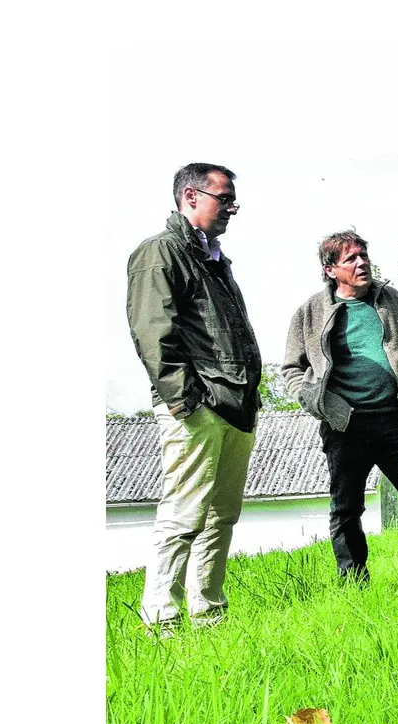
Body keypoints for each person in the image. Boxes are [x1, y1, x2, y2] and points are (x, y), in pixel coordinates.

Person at [281, 231, 398, 582]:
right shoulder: (310, 312)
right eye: (350, 258)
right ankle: (354, 582)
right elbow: (292, 369)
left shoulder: (391, 300)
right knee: (346, 508)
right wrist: (320, 405)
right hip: (345, 425)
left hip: (395, 420)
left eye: (363, 255)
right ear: (330, 270)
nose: (361, 263)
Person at [126, 163, 262, 632]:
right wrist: (186, 402)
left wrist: (247, 398)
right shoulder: (160, 252)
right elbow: (153, 333)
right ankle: (160, 623)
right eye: (224, 198)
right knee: (183, 515)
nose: (232, 208)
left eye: (232, 200)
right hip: (197, 407)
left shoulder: (217, 260)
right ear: (190, 195)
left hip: (236, 405)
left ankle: (209, 617)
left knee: (221, 516)